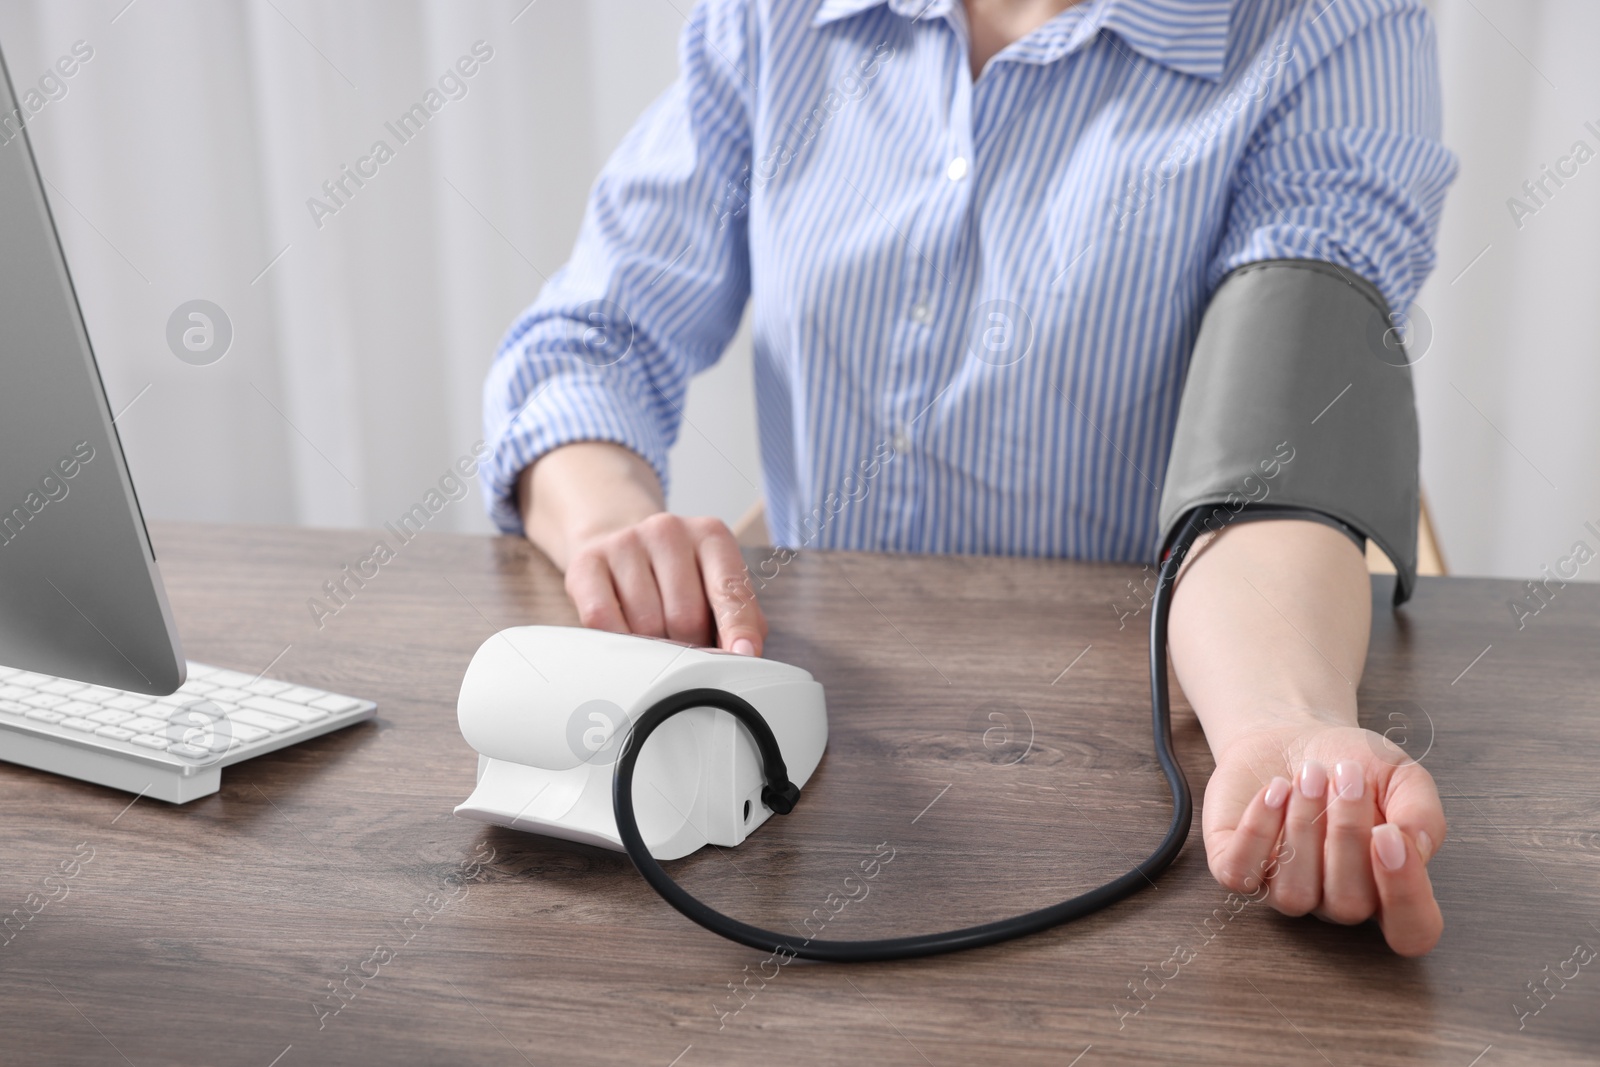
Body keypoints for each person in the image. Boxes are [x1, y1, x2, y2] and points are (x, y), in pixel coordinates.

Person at [482, 0, 1457, 955]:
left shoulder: (1332, 22)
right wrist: (612, 521)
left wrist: (1279, 719)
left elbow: (1274, 452)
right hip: (800, 750)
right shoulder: (775, 17)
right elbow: (593, 336)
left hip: (1112, 774)